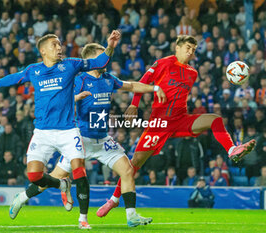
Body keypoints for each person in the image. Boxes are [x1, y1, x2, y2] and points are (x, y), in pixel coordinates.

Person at [0, 31, 121, 229]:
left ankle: (83, 219)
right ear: (43, 51)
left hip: (68, 130)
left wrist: (110, 46)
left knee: (79, 170)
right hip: (42, 132)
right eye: (54, 45)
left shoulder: (71, 65)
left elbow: (99, 62)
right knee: (34, 176)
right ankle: (61, 185)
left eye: (59, 44)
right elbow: (12, 78)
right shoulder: (34, 70)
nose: (59, 47)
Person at [9, 43, 165, 228]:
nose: (106, 60)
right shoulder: (78, 79)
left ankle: (131, 216)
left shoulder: (108, 78)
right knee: (52, 179)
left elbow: (131, 85)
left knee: (128, 170)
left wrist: (154, 89)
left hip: (103, 140)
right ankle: (22, 197)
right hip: (80, 139)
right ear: (92, 60)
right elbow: (61, 98)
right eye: (102, 56)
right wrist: (76, 98)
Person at [98, 35, 256, 216]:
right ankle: (114, 200)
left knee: (215, 119)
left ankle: (232, 150)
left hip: (180, 120)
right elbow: (142, 82)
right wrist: (134, 104)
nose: (190, 52)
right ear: (177, 47)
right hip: (160, 123)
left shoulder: (192, 73)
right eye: (188, 47)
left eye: (194, 49)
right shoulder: (163, 63)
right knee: (135, 163)